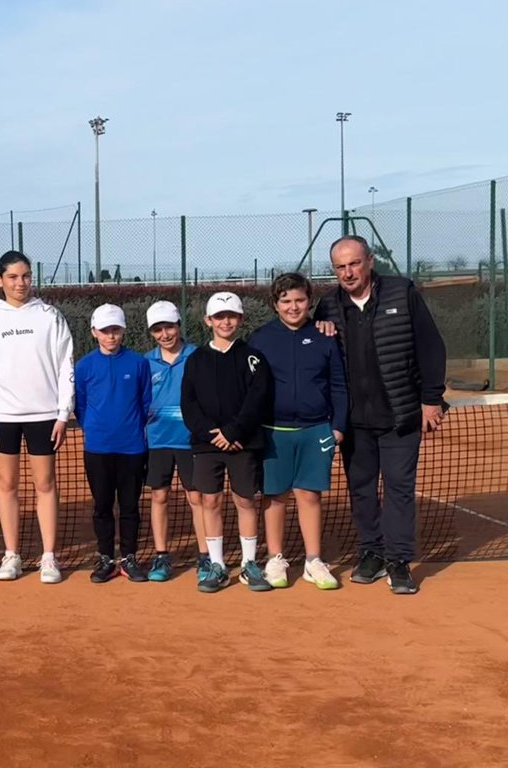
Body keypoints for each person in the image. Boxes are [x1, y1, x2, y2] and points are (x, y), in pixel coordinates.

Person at [314, 235, 446, 595]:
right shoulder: (326, 306)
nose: (348, 272)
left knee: (400, 489)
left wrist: (431, 399)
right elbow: (317, 357)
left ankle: (399, 561)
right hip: (354, 422)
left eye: (354, 263)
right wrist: (318, 330)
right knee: (361, 491)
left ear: (370, 261)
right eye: (340, 267)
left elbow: (431, 346)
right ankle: (372, 551)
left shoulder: (402, 293)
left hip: (400, 415)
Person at [0, 250, 74, 584]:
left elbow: (65, 366)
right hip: (3, 417)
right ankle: (11, 555)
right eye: (13, 277)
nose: (21, 283)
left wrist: (62, 414)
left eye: (26, 276)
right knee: (7, 486)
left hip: (45, 416)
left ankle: (48, 557)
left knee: (45, 485)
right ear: (0, 280)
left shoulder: (50, 316)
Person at [249, 273, 348, 590]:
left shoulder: (325, 337)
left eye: (300, 300)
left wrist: (338, 427)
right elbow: (251, 389)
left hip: (315, 430)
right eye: (286, 301)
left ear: (310, 301)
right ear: (275, 304)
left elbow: (338, 386)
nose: (294, 307)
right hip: (273, 432)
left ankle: (313, 561)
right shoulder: (259, 339)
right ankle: (275, 559)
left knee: (309, 495)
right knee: (274, 497)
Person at [180, 291, 273, 593]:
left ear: (241, 319)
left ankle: (248, 564)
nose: (226, 321)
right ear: (208, 321)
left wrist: (234, 432)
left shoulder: (254, 357)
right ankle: (217, 564)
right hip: (207, 446)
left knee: (246, 500)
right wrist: (213, 434)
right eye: (219, 317)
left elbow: (257, 400)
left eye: (231, 316)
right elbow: (189, 405)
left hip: (242, 443)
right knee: (211, 500)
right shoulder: (195, 361)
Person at [75, 303, 151, 583]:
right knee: (102, 506)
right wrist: (96, 429)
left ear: (123, 331)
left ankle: (129, 558)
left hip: (132, 448)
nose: (111, 336)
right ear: (94, 332)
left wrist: (129, 429)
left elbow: (145, 403)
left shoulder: (138, 363)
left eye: (115, 330)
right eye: (105, 330)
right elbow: (80, 406)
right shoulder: (83, 367)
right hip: (97, 448)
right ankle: (106, 558)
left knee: (130, 506)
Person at [143, 301, 208, 582]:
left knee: (196, 498)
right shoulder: (145, 363)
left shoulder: (198, 357)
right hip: (156, 442)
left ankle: (206, 556)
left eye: (169, 327)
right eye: (158, 329)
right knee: (159, 496)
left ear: (179, 325)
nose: (165, 334)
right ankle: (161, 555)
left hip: (191, 441)